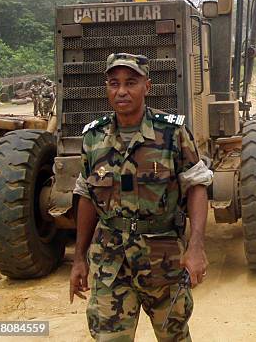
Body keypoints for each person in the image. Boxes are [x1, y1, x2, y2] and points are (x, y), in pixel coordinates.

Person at [69, 53, 213, 341]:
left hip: (162, 261)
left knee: (173, 335)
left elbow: (196, 186)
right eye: (114, 83)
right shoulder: (93, 138)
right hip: (109, 260)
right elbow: (86, 194)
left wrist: (196, 247)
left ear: (147, 86)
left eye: (130, 82)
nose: (121, 91)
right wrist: (78, 258)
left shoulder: (172, 133)